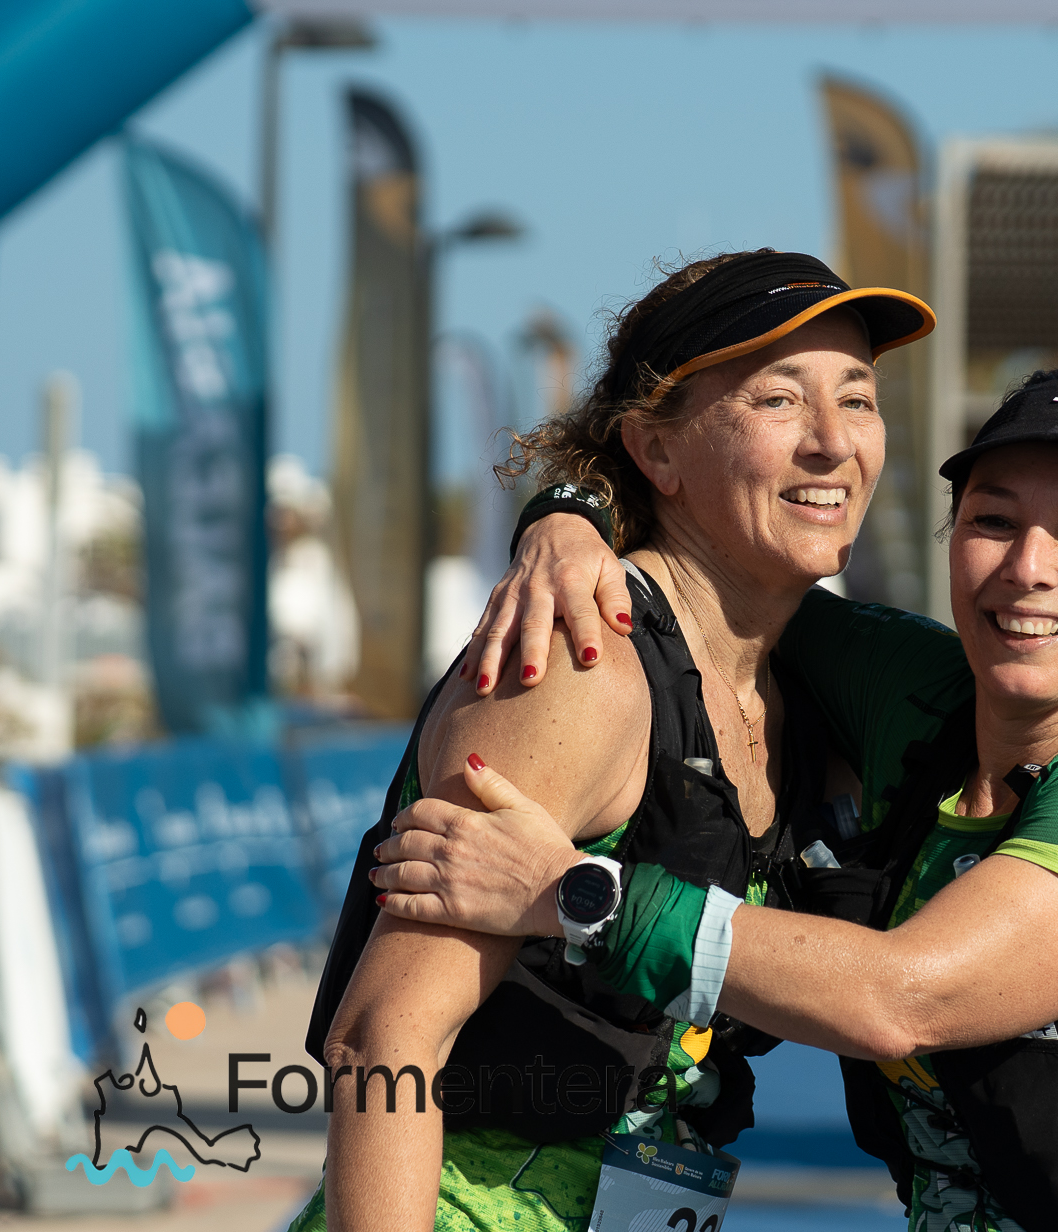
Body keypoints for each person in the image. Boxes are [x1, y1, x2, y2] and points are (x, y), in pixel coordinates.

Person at [373, 367, 1058, 1232]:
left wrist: (576, 894)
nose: (1028, 566)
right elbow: (715, 561)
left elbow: (900, 999)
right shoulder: (915, 692)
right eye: (992, 519)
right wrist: (565, 520)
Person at [296, 248, 935, 1231]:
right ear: (657, 451)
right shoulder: (580, 663)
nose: (833, 442)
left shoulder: (797, 688)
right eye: (777, 399)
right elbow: (383, 1039)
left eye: (857, 399)